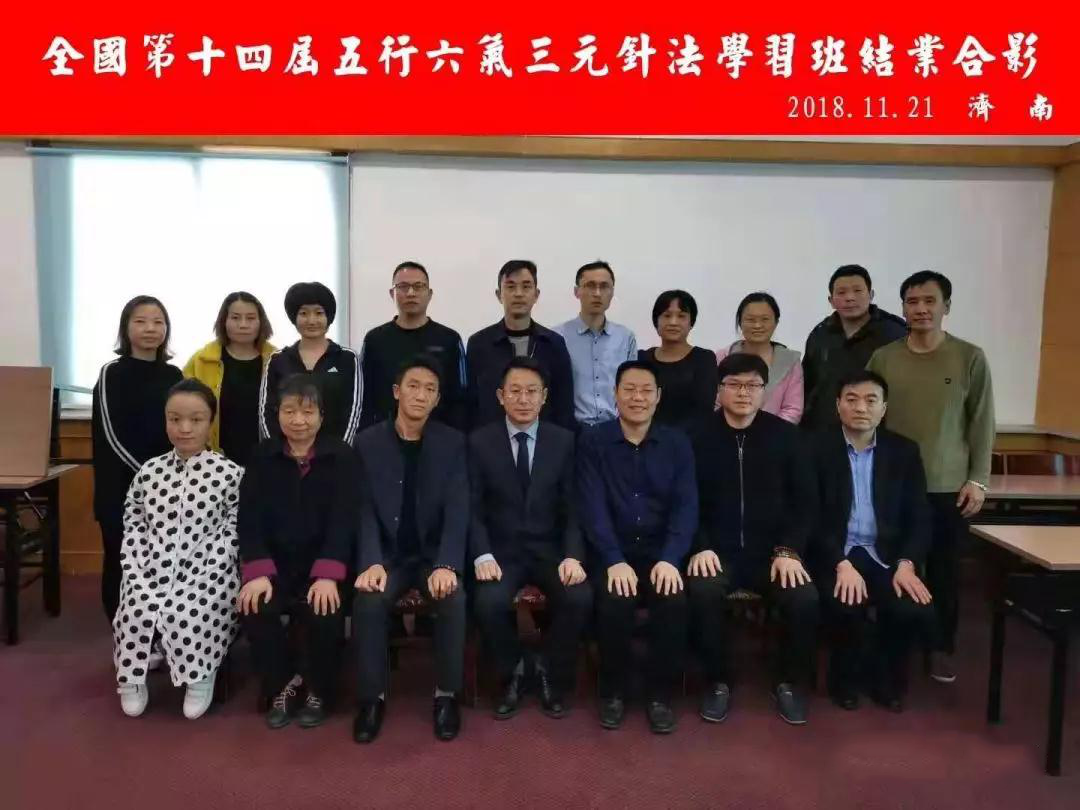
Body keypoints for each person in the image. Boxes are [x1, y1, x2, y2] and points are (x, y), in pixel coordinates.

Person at [867, 270, 994, 684]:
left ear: (946, 307)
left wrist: (978, 479)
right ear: (902, 308)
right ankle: (894, 644)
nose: (920, 309)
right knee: (892, 563)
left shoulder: (969, 357)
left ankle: (940, 646)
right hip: (891, 483)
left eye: (929, 301)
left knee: (943, 570)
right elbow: (866, 412)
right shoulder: (884, 358)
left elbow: (982, 423)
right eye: (912, 302)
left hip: (947, 485)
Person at [687, 353, 819, 725]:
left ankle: (788, 682)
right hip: (716, 551)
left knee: (804, 598)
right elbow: (683, 501)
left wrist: (789, 550)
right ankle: (717, 681)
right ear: (719, 390)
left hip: (773, 554)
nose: (743, 392)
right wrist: (700, 545)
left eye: (752, 385)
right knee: (702, 591)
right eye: (734, 384)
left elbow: (805, 503)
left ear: (765, 390)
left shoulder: (788, 438)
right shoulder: (695, 437)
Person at [352, 355, 468, 744]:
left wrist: (448, 563)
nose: (421, 395)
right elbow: (364, 509)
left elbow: (458, 508)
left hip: (432, 556)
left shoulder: (453, 442)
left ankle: (447, 695)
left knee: (453, 598)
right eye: (413, 386)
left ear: (437, 399)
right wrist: (371, 561)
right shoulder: (368, 442)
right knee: (368, 600)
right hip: (388, 557)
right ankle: (372, 698)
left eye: (430, 389)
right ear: (397, 391)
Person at [577, 360, 696, 734]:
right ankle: (613, 690)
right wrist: (613, 558)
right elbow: (592, 506)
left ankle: (660, 695)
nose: (637, 397)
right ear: (615, 394)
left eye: (646, 390)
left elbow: (686, 506)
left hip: (661, 552)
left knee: (672, 599)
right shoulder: (594, 441)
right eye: (629, 389)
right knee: (615, 599)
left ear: (658, 396)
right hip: (612, 550)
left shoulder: (677, 443)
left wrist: (671, 558)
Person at [469, 357, 591, 720]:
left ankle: (548, 670)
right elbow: (471, 508)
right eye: (515, 391)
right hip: (501, 552)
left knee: (579, 597)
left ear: (544, 396)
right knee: (487, 602)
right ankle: (515, 670)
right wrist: (482, 554)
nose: (523, 399)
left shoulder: (564, 441)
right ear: (500, 396)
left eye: (532, 392)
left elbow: (573, 507)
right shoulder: (479, 442)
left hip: (550, 550)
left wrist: (573, 555)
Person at [113, 379, 242, 720]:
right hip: (150, 568)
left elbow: (234, 529)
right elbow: (134, 522)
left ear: (210, 421)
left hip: (210, 571)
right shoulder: (149, 472)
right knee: (134, 606)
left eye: (196, 419)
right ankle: (131, 677)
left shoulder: (229, 474)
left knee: (187, 609)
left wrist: (209, 567)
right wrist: (138, 566)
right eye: (175, 419)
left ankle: (200, 673)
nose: (185, 428)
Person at [809, 370, 935, 712]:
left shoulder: (904, 452)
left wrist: (907, 563)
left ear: (884, 408)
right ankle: (844, 681)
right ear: (838, 405)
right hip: (837, 552)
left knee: (911, 607)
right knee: (844, 602)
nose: (861, 408)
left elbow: (919, 516)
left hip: (887, 555)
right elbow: (810, 516)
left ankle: (886, 680)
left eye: (870, 400)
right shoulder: (815, 448)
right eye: (851, 399)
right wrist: (839, 563)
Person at [238, 374, 356, 730]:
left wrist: (328, 575)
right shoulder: (262, 456)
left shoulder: (342, 457)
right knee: (255, 605)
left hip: (324, 566)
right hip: (276, 567)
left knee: (325, 608)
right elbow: (249, 519)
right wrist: (258, 572)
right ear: (277, 415)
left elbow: (345, 521)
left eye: (307, 412)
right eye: (289, 411)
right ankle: (282, 685)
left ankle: (320, 689)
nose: (298, 420)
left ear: (322, 416)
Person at [92, 295, 183, 623]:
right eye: (141, 321)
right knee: (121, 558)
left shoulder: (174, 375)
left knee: (160, 560)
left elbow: (181, 426)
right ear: (126, 328)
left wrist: (172, 475)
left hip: (167, 487)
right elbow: (112, 434)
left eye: (158, 322)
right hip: (120, 488)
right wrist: (150, 475)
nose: (150, 328)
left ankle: (157, 628)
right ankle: (121, 627)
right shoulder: (111, 373)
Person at [357, 261, 467, 431]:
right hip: (385, 435)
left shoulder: (449, 339)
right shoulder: (375, 339)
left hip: (438, 435)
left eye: (418, 286)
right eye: (403, 287)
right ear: (392, 293)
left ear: (429, 294)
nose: (410, 293)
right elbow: (364, 396)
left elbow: (460, 396)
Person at [466, 260, 575, 430]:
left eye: (526, 287)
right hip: (491, 440)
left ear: (536, 294)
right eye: (510, 287)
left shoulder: (553, 343)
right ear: (498, 294)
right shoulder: (479, 344)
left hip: (544, 440)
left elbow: (564, 405)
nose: (518, 293)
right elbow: (471, 404)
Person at [802, 265, 908, 430]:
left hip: (876, 433)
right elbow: (807, 385)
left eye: (857, 291)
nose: (850, 298)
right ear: (831, 300)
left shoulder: (894, 332)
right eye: (841, 292)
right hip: (824, 432)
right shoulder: (820, 334)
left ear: (871, 295)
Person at [259, 281, 362, 446]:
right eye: (304, 313)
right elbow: (266, 412)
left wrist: (341, 451)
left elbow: (353, 412)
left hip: (335, 453)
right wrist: (279, 452)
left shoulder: (347, 358)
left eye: (319, 313)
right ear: (294, 317)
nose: (312, 320)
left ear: (329, 317)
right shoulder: (278, 359)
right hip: (284, 454)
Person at [183, 291, 276, 466]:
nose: (243, 324)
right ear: (224, 321)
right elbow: (182, 411)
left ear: (261, 322)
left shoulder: (277, 361)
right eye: (235, 318)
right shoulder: (202, 360)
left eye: (250, 318)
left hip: (267, 460)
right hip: (211, 461)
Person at [554, 260, 638, 430]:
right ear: (577, 291)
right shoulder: (557, 336)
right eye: (590, 286)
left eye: (604, 286)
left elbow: (632, 386)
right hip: (571, 430)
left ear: (612, 292)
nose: (597, 293)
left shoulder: (625, 337)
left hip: (615, 429)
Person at [715, 292, 803, 424]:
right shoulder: (722, 356)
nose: (757, 325)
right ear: (740, 322)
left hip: (775, 433)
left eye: (765, 319)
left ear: (776, 322)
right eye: (750, 320)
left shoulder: (790, 361)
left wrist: (768, 431)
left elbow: (792, 409)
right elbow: (714, 402)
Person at [638, 290, 717, 429]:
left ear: (691, 323)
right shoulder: (641, 358)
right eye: (667, 315)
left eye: (681, 316)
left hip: (690, 439)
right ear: (656, 321)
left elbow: (703, 411)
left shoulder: (704, 359)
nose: (673, 322)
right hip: (644, 437)